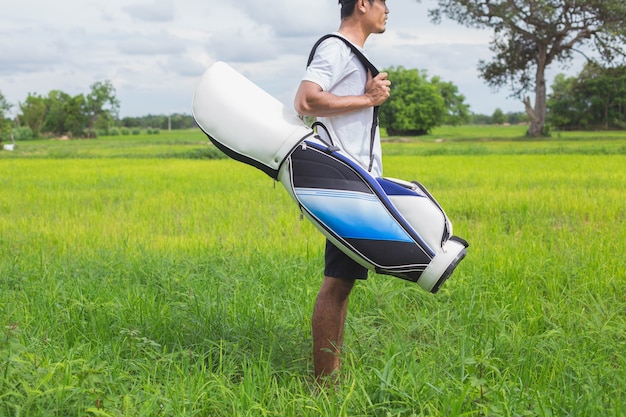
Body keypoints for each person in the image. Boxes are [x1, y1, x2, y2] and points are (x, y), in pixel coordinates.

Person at [293, 0, 391, 382]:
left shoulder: (354, 54)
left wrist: (370, 96)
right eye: (383, 2)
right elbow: (305, 100)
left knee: (342, 281)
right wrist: (367, 99)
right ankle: (325, 385)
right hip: (345, 184)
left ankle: (329, 376)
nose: (388, 10)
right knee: (337, 283)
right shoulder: (335, 47)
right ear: (363, 4)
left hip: (355, 182)